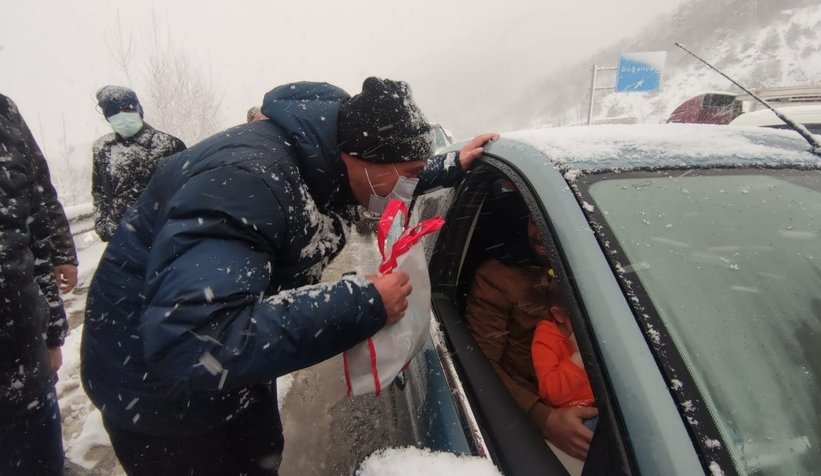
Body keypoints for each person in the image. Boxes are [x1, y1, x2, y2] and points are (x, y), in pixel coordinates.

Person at [81, 76, 497, 475]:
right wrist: (363, 303)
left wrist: (450, 165)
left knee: (260, 457)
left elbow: (392, 174)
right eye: (410, 173)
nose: (410, 186)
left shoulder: (329, 158)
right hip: (164, 403)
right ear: (359, 157)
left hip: (228, 378)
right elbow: (194, 341)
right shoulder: (248, 181)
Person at [464, 189, 598, 462]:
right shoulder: (498, 277)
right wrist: (544, 419)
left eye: (554, 222)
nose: (540, 232)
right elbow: (481, 366)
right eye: (535, 220)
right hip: (531, 426)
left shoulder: (597, 268)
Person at [1, 93, 71, 475]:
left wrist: (53, 331)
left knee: (42, 460)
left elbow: (37, 214)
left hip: (23, 349)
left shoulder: (5, 114)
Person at [91, 85, 186, 241]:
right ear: (108, 117)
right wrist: (104, 227)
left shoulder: (169, 145)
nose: (122, 116)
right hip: (120, 238)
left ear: (138, 110)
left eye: (127, 110)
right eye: (114, 113)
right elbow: (99, 193)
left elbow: (185, 192)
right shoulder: (102, 148)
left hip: (162, 237)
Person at [531, 297, 597, 419]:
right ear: (559, 315)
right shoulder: (546, 338)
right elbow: (552, 393)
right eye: (585, 318)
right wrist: (579, 355)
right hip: (575, 415)